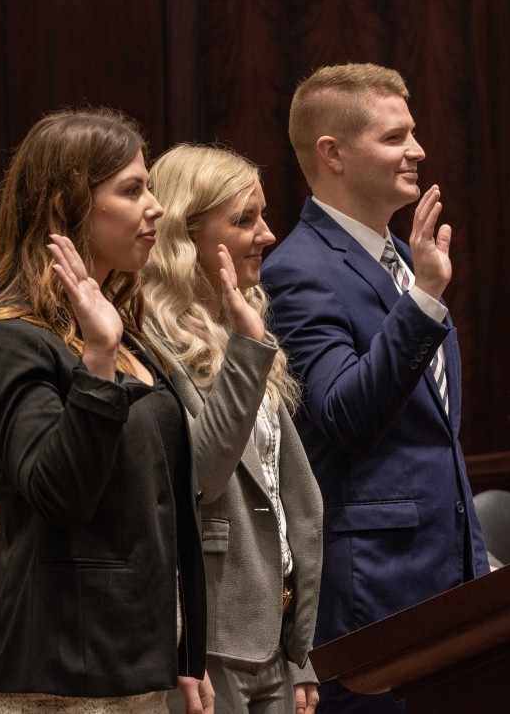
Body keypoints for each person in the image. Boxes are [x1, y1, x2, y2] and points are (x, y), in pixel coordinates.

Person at [0, 108, 213, 714]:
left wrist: (186, 650)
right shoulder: (6, 340)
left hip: (136, 661)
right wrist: (96, 362)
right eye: (132, 189)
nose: (156, 207)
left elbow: (166, 500)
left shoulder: (125, 335)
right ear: (67, 206)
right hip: (61, 675)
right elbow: (58, 491)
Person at [259, 64, 491, 713]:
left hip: (447, 576)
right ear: (332, 153)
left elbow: (435, 433)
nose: (417, 150)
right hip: (373, 592)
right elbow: (347, 415)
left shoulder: (404, 259)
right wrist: (423, 299)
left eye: (413, 133)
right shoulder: (296, 272)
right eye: (395, 138)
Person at [141, 143, 324, 714]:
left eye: (262, 215)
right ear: (184, 234)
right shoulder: (150, 345)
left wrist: (299, 655)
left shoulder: (239, 325)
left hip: (274, 633)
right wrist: (249, 350)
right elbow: (201, 477)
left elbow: (280, 488)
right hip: (211, 639)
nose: (268, 234)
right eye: (244, 220)